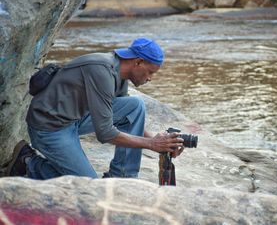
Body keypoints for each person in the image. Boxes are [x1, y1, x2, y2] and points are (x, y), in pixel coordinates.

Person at [3, 37, 184, 179]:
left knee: (134, 106)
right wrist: (152, 144)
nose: (150, 78)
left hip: (75, 118)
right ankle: (27, 163)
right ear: (137, 62)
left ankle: (122, 177)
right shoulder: (101, 70)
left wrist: (160, 143)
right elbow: (105, 133)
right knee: (87, 183)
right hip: (49, 128)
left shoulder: (119, 72)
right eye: (150, 72)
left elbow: (127, 117)